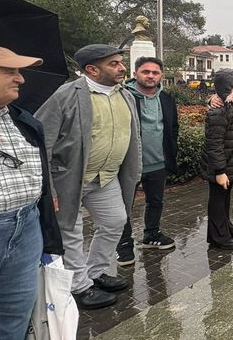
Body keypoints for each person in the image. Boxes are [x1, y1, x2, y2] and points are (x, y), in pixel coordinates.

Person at [37, 44, 142, 310]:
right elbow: (42, 138)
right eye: (113, 64)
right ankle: (79, 287)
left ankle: (96, 272)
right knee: (71, 232)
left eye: (120, 62)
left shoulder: (125, 94)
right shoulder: (66, 95)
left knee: (115, 221)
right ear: (92, 70)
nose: (121, 67)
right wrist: (49, 188)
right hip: (70, 179)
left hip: (105, 178)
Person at [0, 43, 63, 338]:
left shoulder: (23, 119)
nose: (21, 78)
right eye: (8, 71)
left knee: (15, 315)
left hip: (25, 227)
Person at [116, 57, 179, 267]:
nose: (150, 76)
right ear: (135, 74)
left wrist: (171, 151)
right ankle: (124, 245)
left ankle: (152, 235)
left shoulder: (167, 98)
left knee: (156, 201)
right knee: (125, 206)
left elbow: (173, 127)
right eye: (146, 71)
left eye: (155, 72)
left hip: (158, 162)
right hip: (129, 164)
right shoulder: (123, 97)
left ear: (161, 75)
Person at [203, 70, 233, 250]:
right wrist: (219, 171)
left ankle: (225, 225)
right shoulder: (219, 111)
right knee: (217, 199)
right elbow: (214, 144)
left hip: (230, 162)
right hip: (221, 166)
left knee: (224, 198)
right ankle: (218, 235)